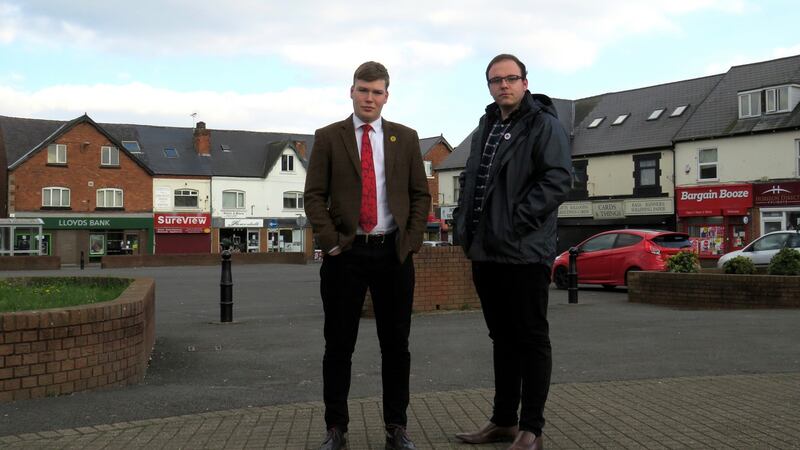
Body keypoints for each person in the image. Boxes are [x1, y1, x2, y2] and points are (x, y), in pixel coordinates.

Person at [304, 61, 431, 450]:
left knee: (397, 347)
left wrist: (408, 242)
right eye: (363, 90)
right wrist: (331, 241)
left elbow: (420, 195)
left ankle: (397, 428)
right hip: (346, 255)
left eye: (377, 92)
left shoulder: (406, 139)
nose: (369, 98)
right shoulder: (328, 137)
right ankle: (336, 429)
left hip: (392, 255)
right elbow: (314, 196)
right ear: (351, 91)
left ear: (386, 96)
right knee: (338, 346)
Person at [453, 54, 572, 450]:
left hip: (524, 252)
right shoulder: (486, 124)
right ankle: (503, 421)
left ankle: (531, 428)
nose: (503, 85)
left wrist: (516, 221)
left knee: (531, 339)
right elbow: (472, 178)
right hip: (485, 252)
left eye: (510, 79)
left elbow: (557, 180)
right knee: (501, 339)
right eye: (495, 80)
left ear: (525, 82)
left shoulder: (544, 125)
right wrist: (461, 223)